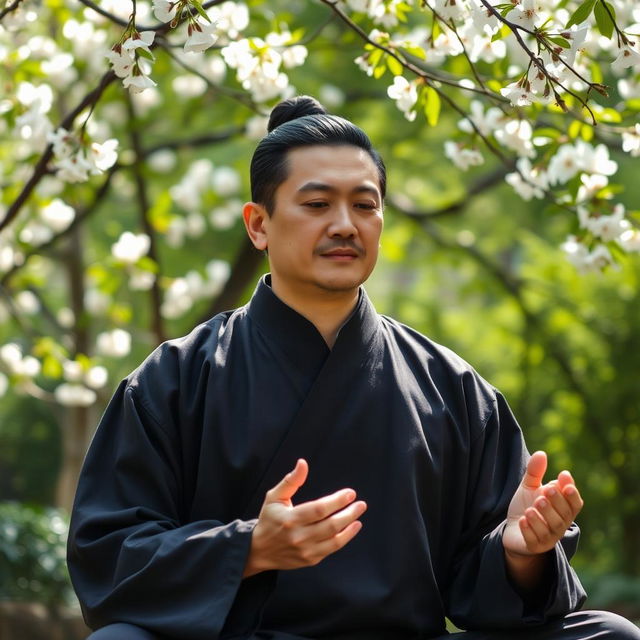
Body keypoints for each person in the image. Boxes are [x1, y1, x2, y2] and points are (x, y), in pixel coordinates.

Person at [67, 96, 640, 640]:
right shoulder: (178, 377)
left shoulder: (451, 387)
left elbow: (481, 587)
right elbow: (109, 555)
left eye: (364, 205)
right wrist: (249, 548)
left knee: (610, 635)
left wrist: (519, 552)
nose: (345, 224)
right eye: (317, 205)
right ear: (258, 224)